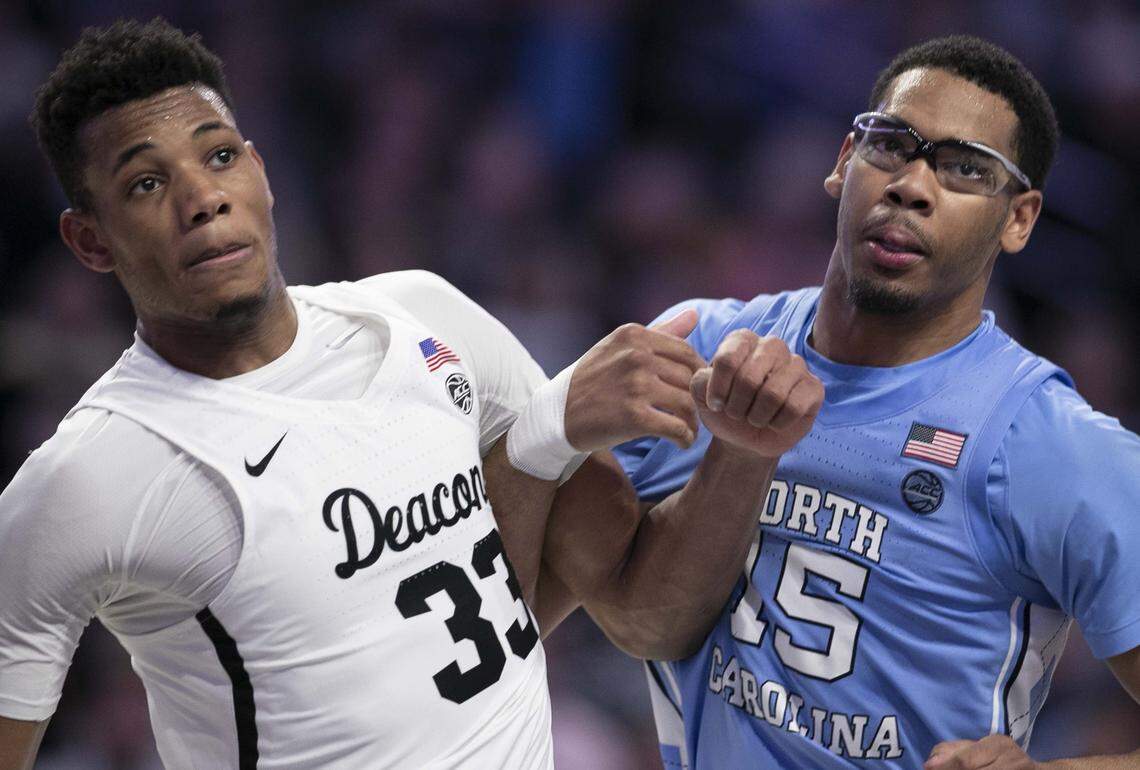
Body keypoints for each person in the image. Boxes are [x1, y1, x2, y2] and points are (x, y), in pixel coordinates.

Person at [0, 17, 827, 770]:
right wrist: (543, 435)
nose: (202, 200)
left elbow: (637, 616)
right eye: (146, 184)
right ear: (89, 239)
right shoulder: (87, 477)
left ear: (260, 171)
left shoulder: (424, 316)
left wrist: (735, 448)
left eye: (219, 157)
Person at [536, 35, 1140, 769]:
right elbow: (598, 617)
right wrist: (553, 423)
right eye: (891, 145)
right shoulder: (700, 346)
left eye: (966, 168)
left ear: (1020, 219)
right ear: (843, 160)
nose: (912, 185)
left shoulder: (1048, 440)